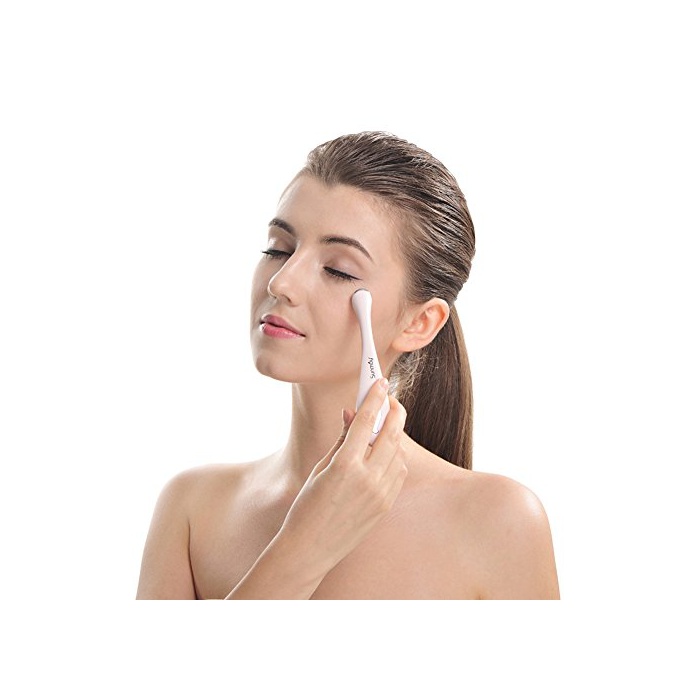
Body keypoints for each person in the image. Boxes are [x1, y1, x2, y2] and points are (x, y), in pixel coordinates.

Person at [136, 131, 560, 599]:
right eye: (278, 248)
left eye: (338, 269)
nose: (282, 282)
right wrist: (304, 545)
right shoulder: (192, 510)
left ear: (419, 323)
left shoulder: (500, 522)